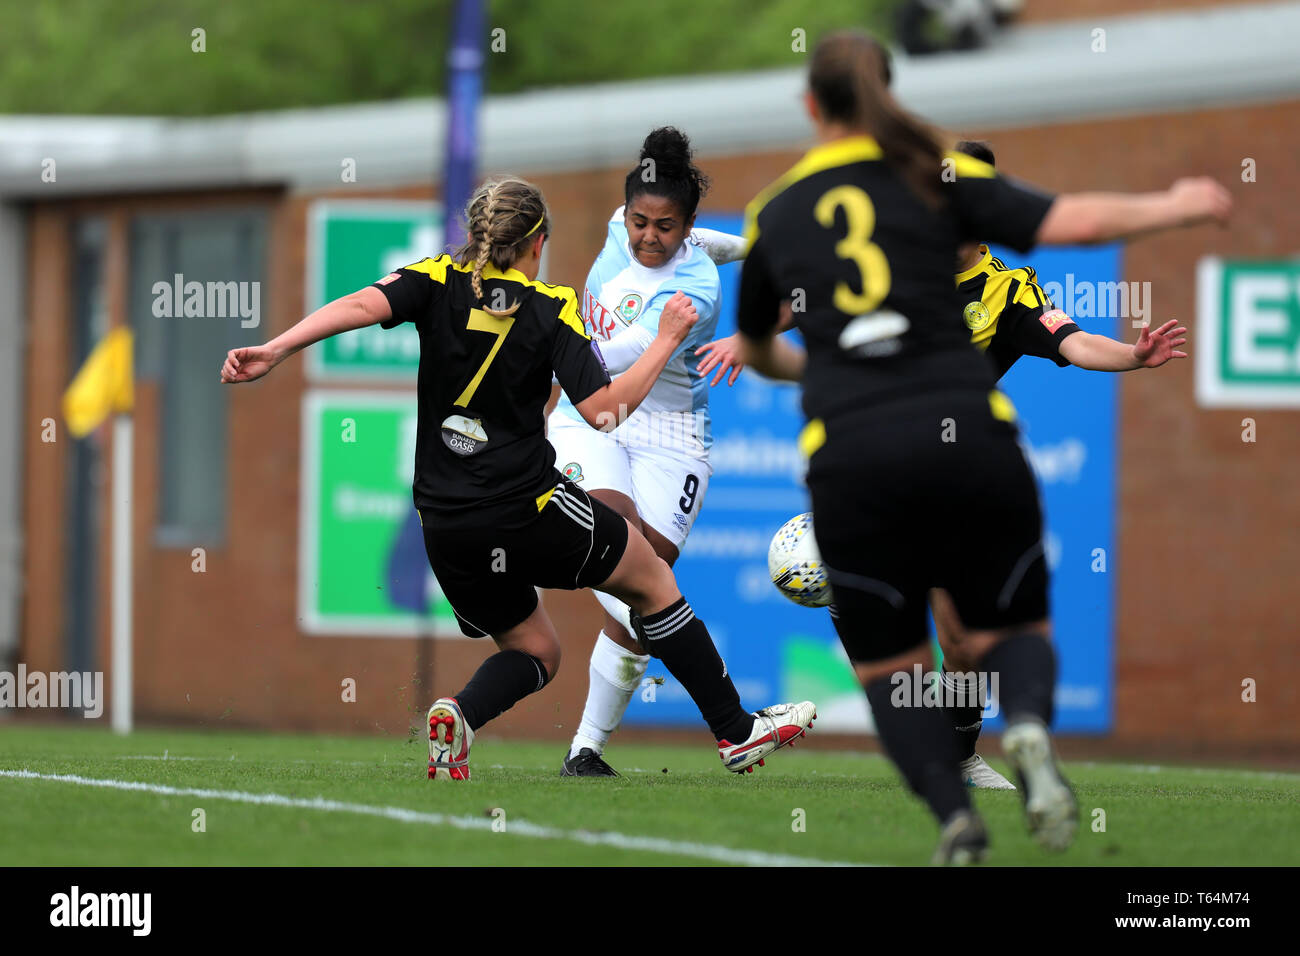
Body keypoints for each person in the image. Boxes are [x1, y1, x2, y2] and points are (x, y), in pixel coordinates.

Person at [732, 31, 1230, 862]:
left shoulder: (786, 210)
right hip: (969, 448)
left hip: (853, 449)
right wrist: (1175, 203)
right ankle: (1027, 724)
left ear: (810, 106)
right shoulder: (936, 188)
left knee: (897, 663)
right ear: (890, 97)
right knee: (1013, 626)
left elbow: (757, 343)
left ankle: (955, 812)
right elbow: (1074, 219)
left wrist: (810, 363)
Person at [220, 177, 815, 781]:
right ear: (538, 243)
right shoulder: (550, 307)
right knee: (653, 580)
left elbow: (357, 305)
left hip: (444, 528)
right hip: (527, 512)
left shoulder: (433, 281)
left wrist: (276, 348)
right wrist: (666, 341)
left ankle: (460, 714)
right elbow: (605, 413)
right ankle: (737, 733)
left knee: (535, 650)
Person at [694, 137, 1192, 793]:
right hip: (870, 455)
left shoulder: (1006, 290)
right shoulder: (898, 251)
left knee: (962, 643)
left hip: (954, 475)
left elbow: (1069, 338)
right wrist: (751, 335)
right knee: (883, 610)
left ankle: (961, 759)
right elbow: (814, 295)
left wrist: (1131, 354)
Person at [547, 128, 744, 777]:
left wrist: (540, 350)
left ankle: (585, 751)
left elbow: (614, 356)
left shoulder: (695, 292)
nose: (648, 237)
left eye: (665, 227)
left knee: (643, 592)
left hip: (670, 435)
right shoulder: (616, 227)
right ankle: (735, 721)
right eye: (639, 221)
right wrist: (752, 247)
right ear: (624, 213)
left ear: (683, 228)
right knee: (626, 563)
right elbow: (713, 241)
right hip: (592, 419)